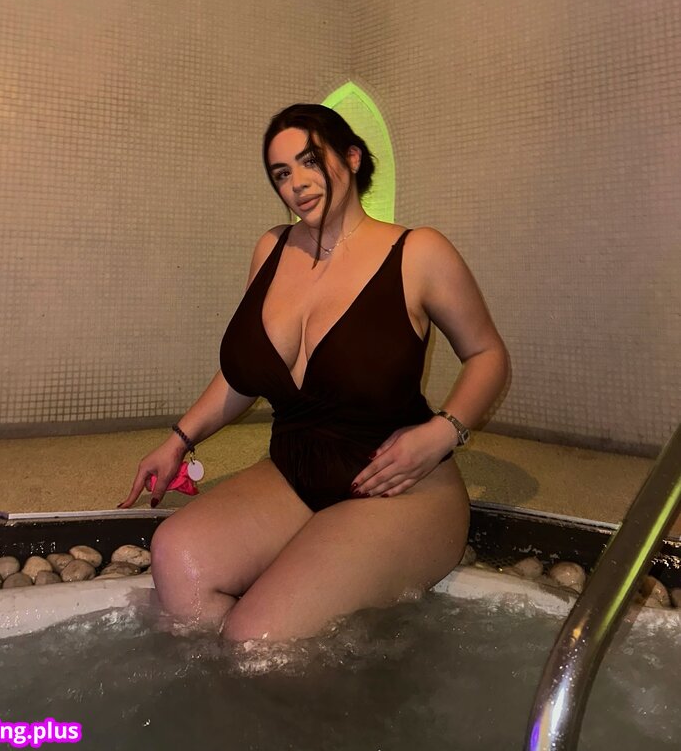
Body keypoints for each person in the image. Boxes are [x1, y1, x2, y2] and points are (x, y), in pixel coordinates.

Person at [120, 103, 509, 642]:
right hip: (294, 471)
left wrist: (442, 432)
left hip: (399, 487)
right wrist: (178, 440)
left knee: (255, 637)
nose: (297, 183)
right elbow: (244, 375)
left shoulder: (418, 252)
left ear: (351, 157)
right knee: (176, 556)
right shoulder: (271, 249)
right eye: (281, 173)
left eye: (310, 161)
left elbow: (488, 355)